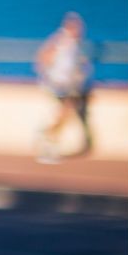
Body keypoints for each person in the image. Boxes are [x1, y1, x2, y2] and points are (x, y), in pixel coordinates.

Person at [33, 12, 93, 163]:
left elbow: (77, 65)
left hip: (68, 86)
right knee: (64, 113)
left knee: (65, 114)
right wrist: (47, 76)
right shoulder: (61, 40)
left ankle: (48, 139)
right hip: (59, 85)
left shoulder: (74, 43)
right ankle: (47, 137)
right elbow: (43, 57)